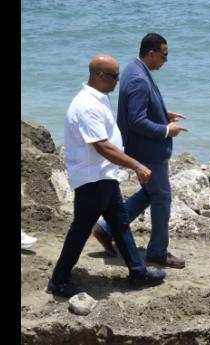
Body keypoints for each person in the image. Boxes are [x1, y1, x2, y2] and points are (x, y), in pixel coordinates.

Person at [47, 54, 166, 299]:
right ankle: (59, 281)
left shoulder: (99, 99)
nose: (118, 80)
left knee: (120, 223)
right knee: (80, 229)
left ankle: (137, 272)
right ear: (100, 76)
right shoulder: (87, 105)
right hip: (92, 178)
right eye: (115, 76)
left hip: (104, 175)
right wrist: (137, 166)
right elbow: (102, 146)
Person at [92, 33, 188, 269]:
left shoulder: (136, 70)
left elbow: (140, 111)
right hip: (147, 151)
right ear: (151, 53)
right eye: (164, 55)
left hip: (143, 148)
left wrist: (163, 115)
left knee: (149, 193)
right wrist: (166, 130)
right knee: (162, 197)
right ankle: (157, 252)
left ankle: (106, 228)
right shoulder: (138, 78)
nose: (166, 61)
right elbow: (136, 120)